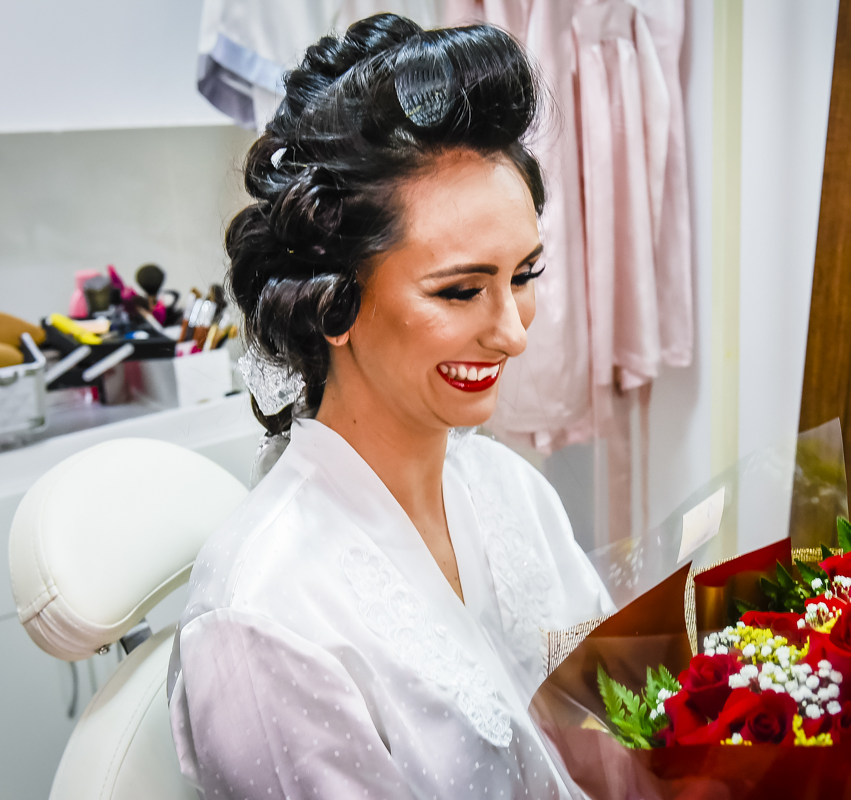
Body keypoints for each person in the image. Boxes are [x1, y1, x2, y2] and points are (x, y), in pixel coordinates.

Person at [168, 14, 613, 800]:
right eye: (462, 291)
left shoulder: (511, 492)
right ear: (333, 304)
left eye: (525, 276)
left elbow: (609, 724)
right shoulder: (265, 620)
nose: (511, 334)